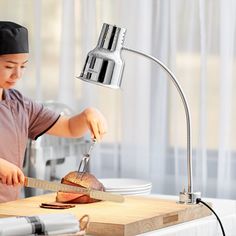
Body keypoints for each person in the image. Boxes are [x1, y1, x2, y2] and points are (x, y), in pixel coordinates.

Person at [0, 21, 107, 203]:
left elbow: (69, 128)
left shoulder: (20, 105)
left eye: (23, 66)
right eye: (9, 66)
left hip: (9, 211)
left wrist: (87, 114)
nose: (17, 74)